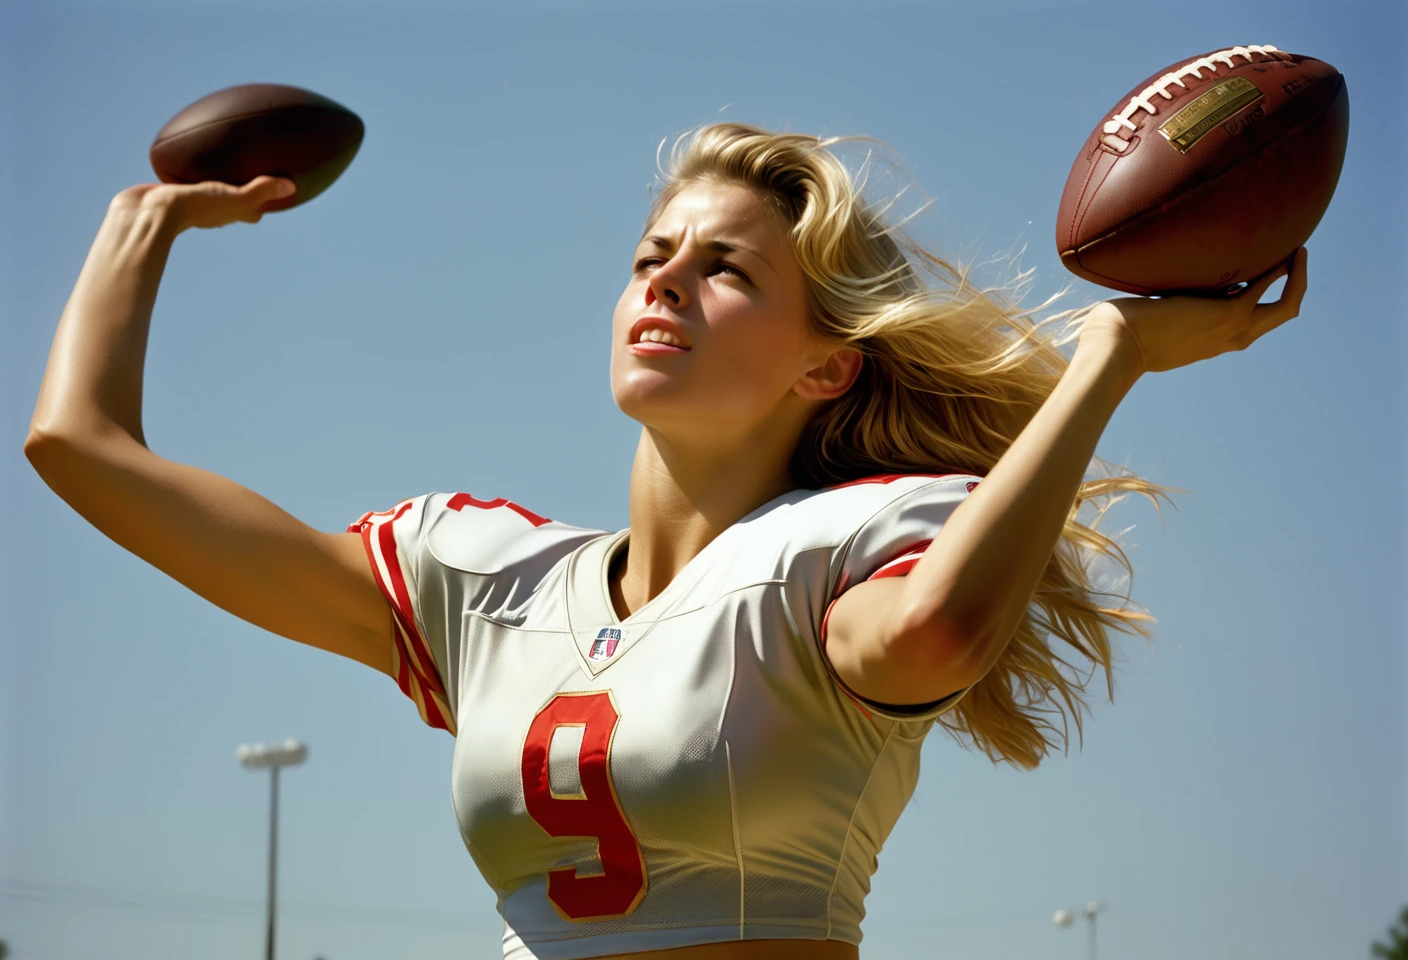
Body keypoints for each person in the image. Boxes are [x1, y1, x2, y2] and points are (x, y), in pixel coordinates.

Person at [24, 122, 1307, 960]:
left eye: (727, 270)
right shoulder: (482, 580)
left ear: (824, 366)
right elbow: (81, 452)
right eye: (654, 254)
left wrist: (1110, 358)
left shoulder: (854, 547)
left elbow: (939, 631)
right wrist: (142, 226)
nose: (666, 279)